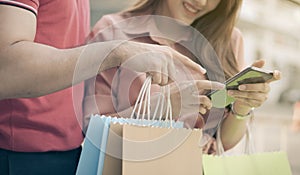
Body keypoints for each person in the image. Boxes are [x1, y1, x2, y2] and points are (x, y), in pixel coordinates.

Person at [0, 1, 208, 174]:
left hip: (66, 153)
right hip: (21, 154)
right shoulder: (115, 28)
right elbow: (5, 70)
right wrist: (119, 52)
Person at [84, 0, 281, 154]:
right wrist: (161, 108)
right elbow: (92, 130)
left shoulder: (227, 40)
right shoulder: (114, 31)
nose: (202, 2)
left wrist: (243, 106)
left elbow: (222, 143)